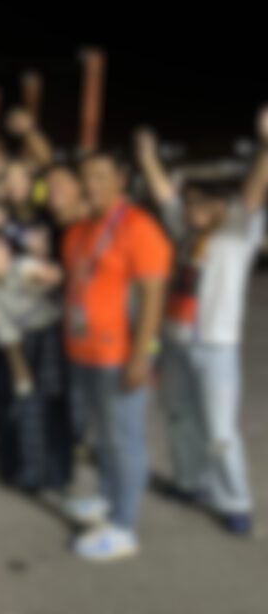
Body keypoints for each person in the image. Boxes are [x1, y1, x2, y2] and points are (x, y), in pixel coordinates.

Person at [136, 113, 268, 537]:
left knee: (220, 430)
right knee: (178, 416)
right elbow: (164, 196)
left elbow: (253, 191)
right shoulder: (185, 230)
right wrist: (147, 156)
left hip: (216, 347)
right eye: (191, 201)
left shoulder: (239, 231)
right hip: (175, 340)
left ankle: (235, 501)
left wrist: (265, 147)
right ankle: (189, 482)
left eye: (204, 203)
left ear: (223, 207)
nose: (194, 209)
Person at [61, 150, 172, 562]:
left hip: (119, 353)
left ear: (120, 180)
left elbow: (153, 296)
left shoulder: (138, 226)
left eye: (101, 176)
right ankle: (108, 499)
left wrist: (143, 355)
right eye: (86, 177)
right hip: (83, 349)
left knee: (125, 439)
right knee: (104, 434)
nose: (92, 184)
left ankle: (124, 526)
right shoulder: (80, 229)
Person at [0, 230, 71, 493]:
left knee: (54, 404)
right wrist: (19, 368)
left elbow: (42, 274)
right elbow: (1, 328)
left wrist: (46, 271)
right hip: (19, 342)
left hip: (52, 335)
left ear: (8, 251)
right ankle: (31, 472)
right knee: (27, 404)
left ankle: (57, 473)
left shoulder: (23, 266)